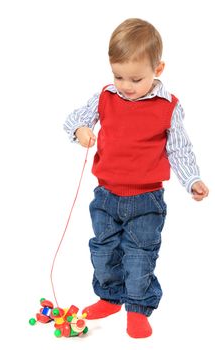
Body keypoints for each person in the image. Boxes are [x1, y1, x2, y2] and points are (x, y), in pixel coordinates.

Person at [63, 18, 209, 338]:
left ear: (159, 68)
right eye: (118, 76)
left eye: (135, 78)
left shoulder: (168, 106)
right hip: (106, 197)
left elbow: (180, 150)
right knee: (103, 251)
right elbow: (74, 119)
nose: (125, 85)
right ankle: (110, 296)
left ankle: (138, 307)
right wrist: (81, 130)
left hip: (146, 200)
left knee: (140, 255)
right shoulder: (106, 95)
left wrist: (191, 180)